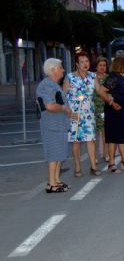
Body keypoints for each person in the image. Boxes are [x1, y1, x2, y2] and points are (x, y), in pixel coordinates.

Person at [63, 51, 115, 177]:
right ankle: (77, 166)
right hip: (74, 114)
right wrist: (67, 111)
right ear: (77, 64)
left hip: (88, 113)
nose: (85, 64)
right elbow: (63, 96)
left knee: (91, 139)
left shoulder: (92, 76)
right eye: (82, 62)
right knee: (76, 141)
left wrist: (109, 100)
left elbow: (99, 90)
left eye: (87, 61)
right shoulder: (70, 77)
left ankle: (93, 166)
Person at [37, 58, 80, 193]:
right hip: (52, 125)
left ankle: (56, 180)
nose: (62, 70)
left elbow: (59, 104)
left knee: (59, 154)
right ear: (53, 69)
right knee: (53, 155)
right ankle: (51, 184)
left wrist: (69, 113)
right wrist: (65, 109)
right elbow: (49, 106)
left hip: (58, 125)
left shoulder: (53, 85)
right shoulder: (46, 85)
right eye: (60, 67)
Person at [103, 56, 124, 173]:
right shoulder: (113, 77)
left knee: (121, 136)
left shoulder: (122, 77)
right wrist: (112, 102)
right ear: (121, 65)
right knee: (113, 137)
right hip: (114, 112)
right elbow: (103, 90)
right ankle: (111, 163)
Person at [93, 56, 109, 163]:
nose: (102, 67)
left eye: (104, 65)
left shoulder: (108, 77)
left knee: (104, 132)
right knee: (94, 134)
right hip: (94, 108)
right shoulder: (92, 77)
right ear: (96, 66)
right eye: (100, 65)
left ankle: (106, 153)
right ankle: (94, 156)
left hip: (105, 107)